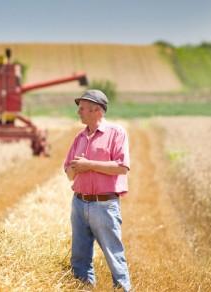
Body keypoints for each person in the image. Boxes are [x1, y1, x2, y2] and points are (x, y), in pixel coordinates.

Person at [63, 89, 132, 291]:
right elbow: (68, 172)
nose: (79, 112)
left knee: (114, 257)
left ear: (97, 110)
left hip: (104, 205)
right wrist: (74, 168)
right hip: (78, 203)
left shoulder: (116, 133)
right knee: (79, 259)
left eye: (82, 108)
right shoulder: (79, 138)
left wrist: (89, 164)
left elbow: (122, 167)